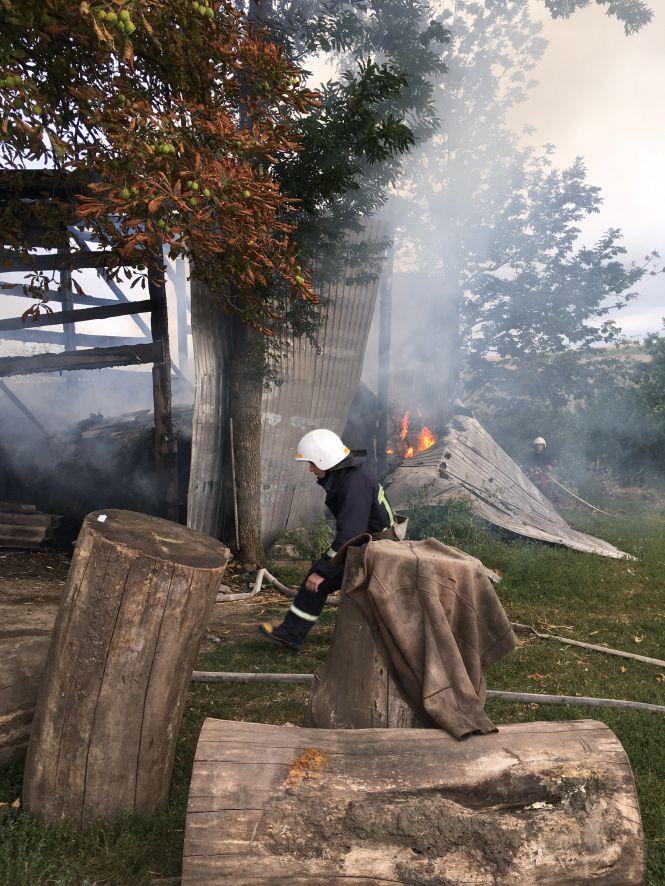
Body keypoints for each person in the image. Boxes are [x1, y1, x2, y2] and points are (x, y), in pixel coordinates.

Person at [258, 428, 397, 651]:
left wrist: (323, 570)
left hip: (376, 549)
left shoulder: (352, 484)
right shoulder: (348, 478)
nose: (311, 469)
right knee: (316, 578)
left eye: (312, 463)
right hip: (369, 544)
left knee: (316, 581)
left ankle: (292, 633)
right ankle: (291, 633)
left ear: (324, 461)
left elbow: (350, 535)